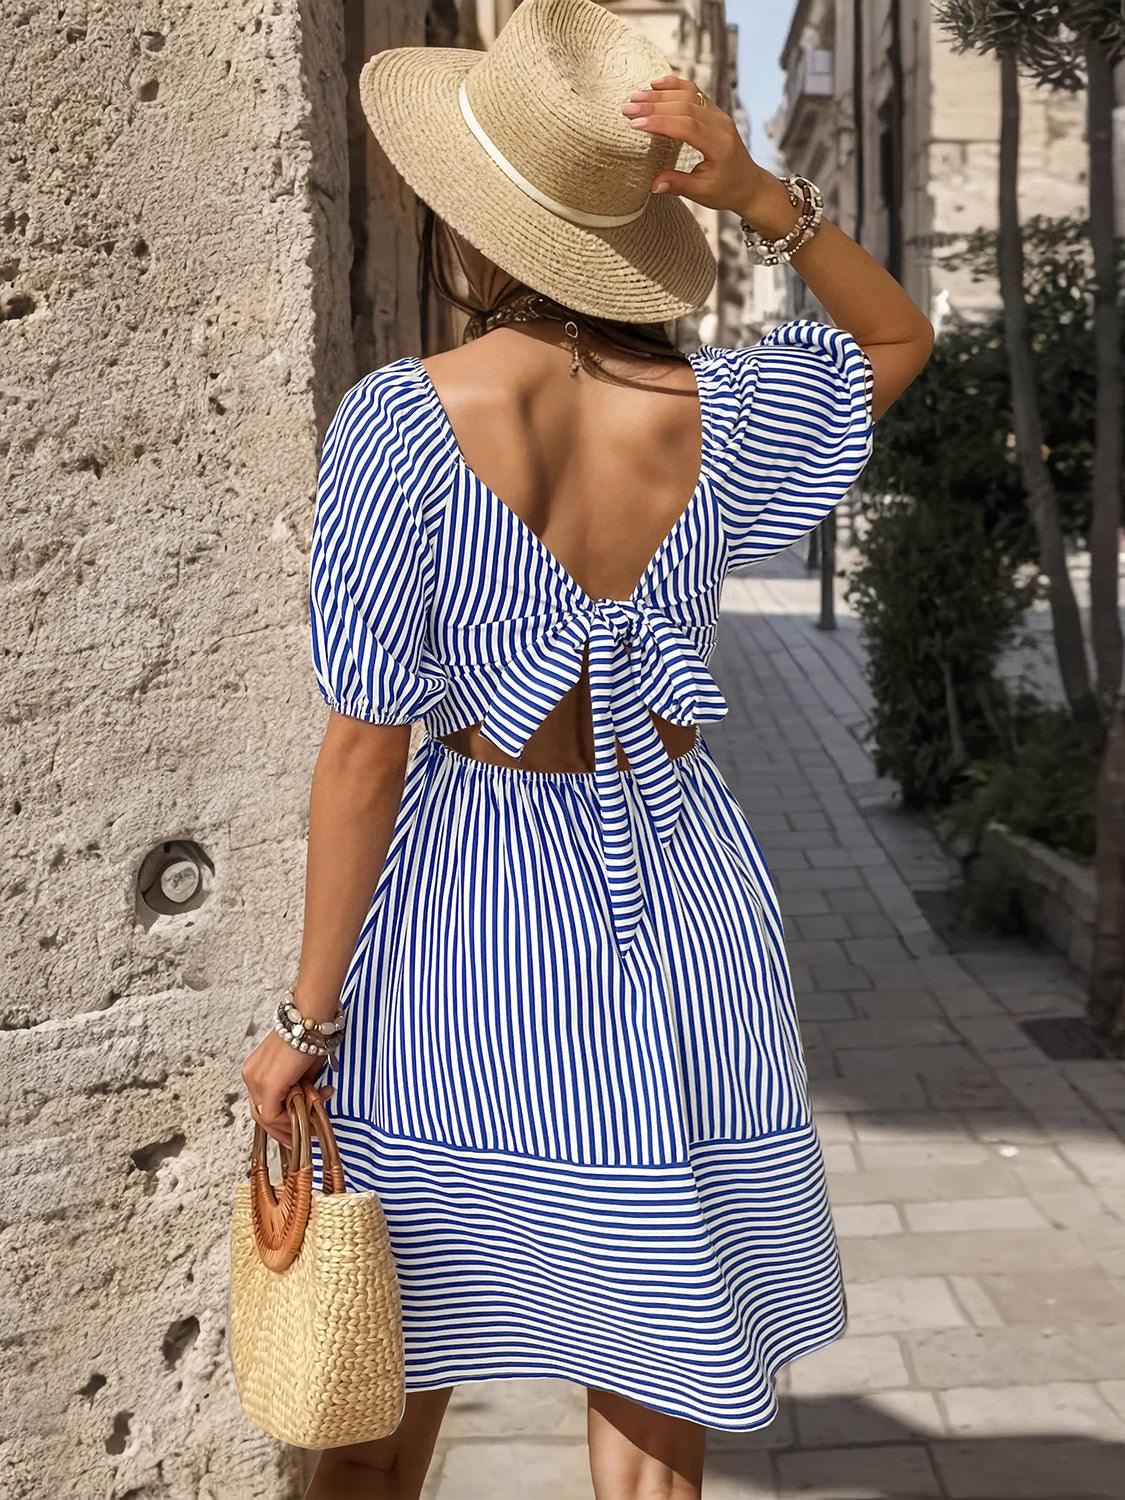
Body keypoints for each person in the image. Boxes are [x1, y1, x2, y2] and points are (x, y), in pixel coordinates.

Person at [241, 0, 934, 1495]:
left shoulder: (399, 424)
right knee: (657, 1363)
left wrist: (301, 1028)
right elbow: (895, 333)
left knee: (386, 1353)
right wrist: (761, 196)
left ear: (476, 231)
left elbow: (362, 751)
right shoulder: (727, 412)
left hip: (466, 911)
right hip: (679, 889)